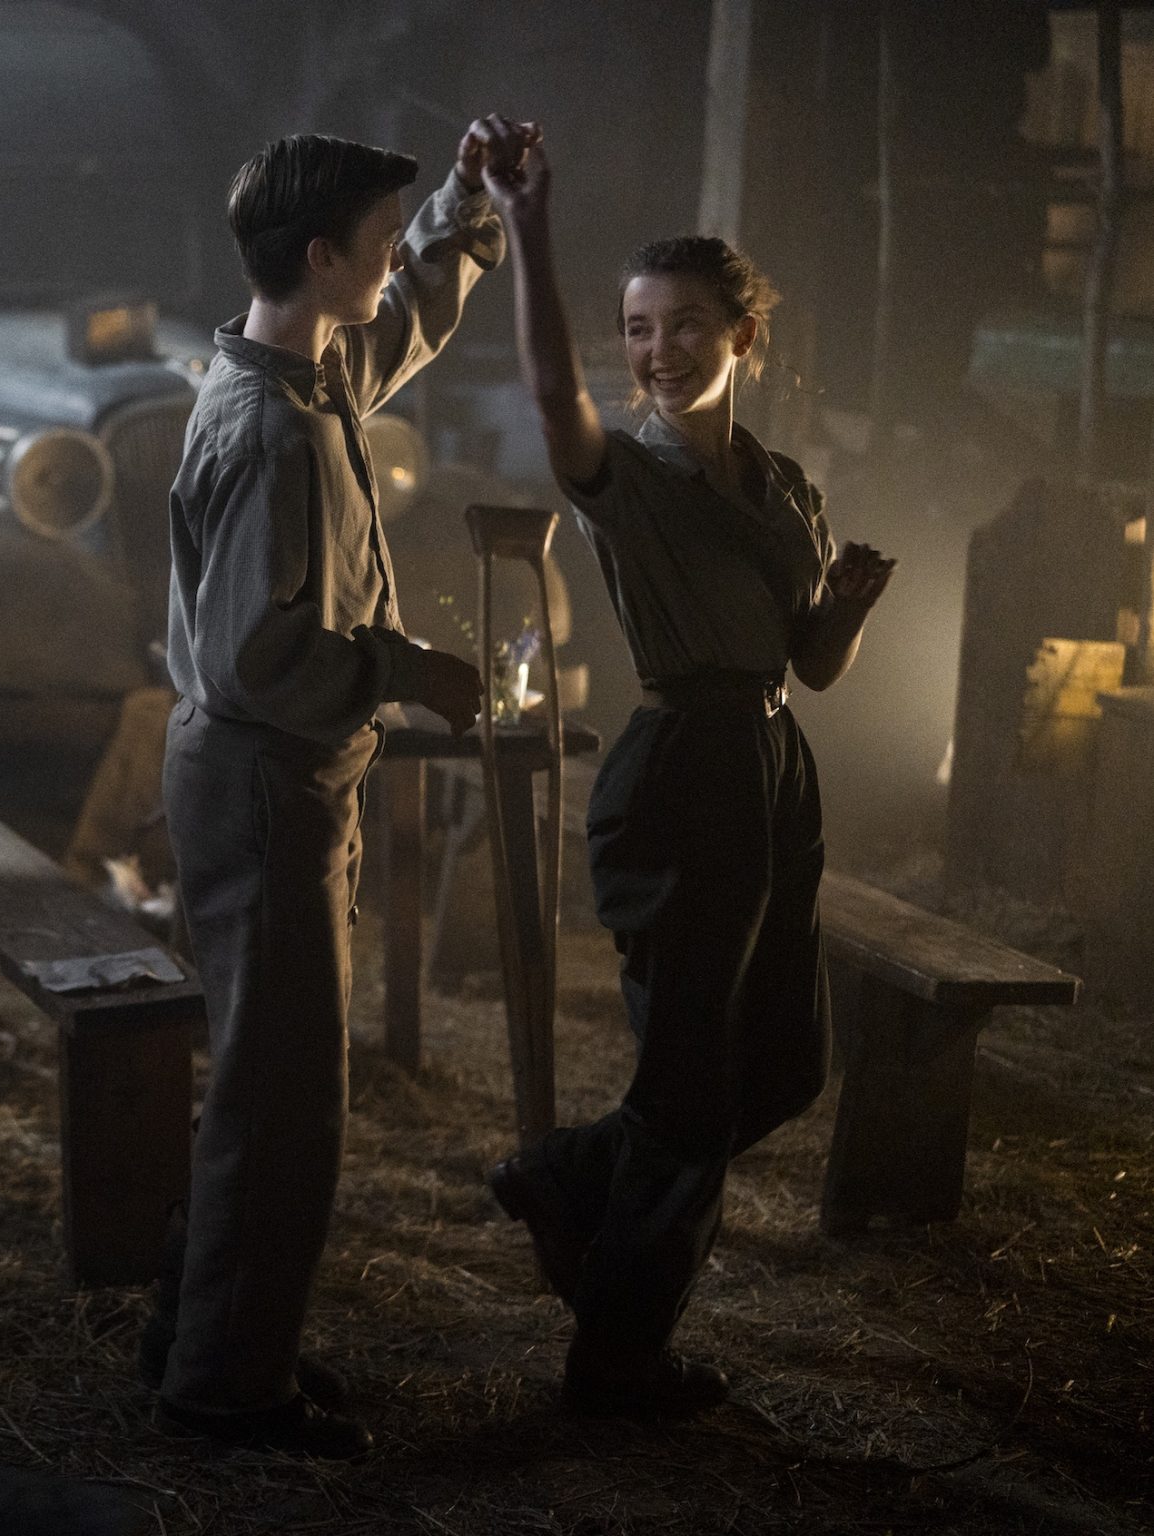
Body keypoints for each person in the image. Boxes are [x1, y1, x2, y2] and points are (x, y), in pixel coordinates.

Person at [481, 126, 895, 1420]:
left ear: (742, 339)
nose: (657, 349)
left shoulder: (780, 488)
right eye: (636, 328)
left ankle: (567, 1179)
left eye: (685, 326)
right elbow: (555, 398)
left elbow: (813, 667)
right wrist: (525, 227)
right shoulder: (630, 478)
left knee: (781, 1063)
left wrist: (849, 604)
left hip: (770, 762)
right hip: (678, 771)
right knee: (686, 1081)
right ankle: (617, 1353)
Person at [148, 121, 537, 1460]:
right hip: (264, 778)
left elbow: (404, 324)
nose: (386, 272)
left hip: (270, 778)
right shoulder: (267, 429)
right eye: (373, 250)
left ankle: (203, 1333)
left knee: (263, 1078)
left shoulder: (300, 377)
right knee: (285, 1097)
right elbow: (259, 660)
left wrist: (467, 210)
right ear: (320, 257)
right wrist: (406, 667)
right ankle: (224, 1387)